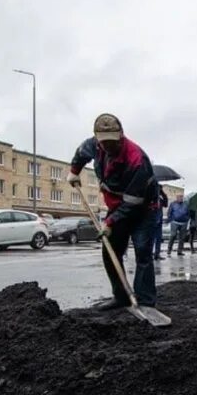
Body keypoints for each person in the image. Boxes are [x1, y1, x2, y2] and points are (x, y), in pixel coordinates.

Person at [68, 113, 158, 310]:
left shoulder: (136, 159)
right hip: (118, 206)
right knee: (110, 252)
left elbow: (133, 202)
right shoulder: (94, 145)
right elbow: (82, 153)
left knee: (143, 253)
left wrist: (110, 222)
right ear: (97, 139)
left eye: (112, 142)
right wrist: (74, 171)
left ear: (121, 136)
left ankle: (145, 302)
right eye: (104, 143)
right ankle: (122, 297)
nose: (108, 147)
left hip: (144, 209)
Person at [152, 186, 168, 260]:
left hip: (159, 222)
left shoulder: (160, 199)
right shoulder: (151, 199)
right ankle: (150, 254)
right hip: (152, 221)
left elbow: (166, 204)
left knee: (158, 239)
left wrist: (163, 193)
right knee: (151, 239)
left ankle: (157, 254)